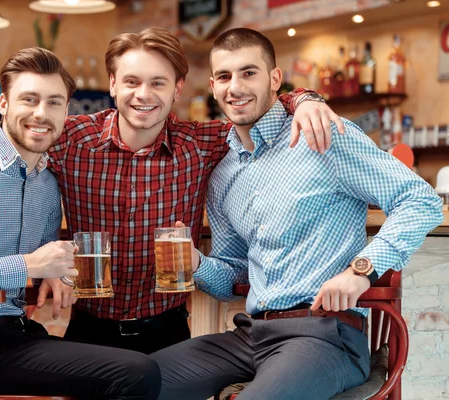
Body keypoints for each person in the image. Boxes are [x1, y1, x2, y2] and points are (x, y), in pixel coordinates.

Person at [0, 27, 343, 355]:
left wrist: (305, 98)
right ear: (113, 84)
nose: (143, 95)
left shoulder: (202, 142)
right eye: (131, 81)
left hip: (170, 328)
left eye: (158, 83)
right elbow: (18, 136)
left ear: (177, 90)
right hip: (88, 327)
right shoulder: (71, 139)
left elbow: (253, 105)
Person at [151, 28, 444, 400]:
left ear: (275, 79)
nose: (235, 87)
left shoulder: (322, 134)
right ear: (212, 85)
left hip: (324, 336)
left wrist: (361, 272)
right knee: (135, 381)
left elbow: (421, 199)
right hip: (252, 335)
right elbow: (234, 275)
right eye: (224, 76)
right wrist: (196, 263)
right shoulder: (223, 172)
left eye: (249, 73)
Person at [0, 47, 161, 399]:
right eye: (29, 99)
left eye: (54, 103)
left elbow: (39, 268)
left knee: (135, 364)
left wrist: (51, 274)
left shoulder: (47, 185)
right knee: (136, 372)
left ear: (66, 111)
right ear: (4, 103)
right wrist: (27, 265)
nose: (41, 114)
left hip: (19, 334)